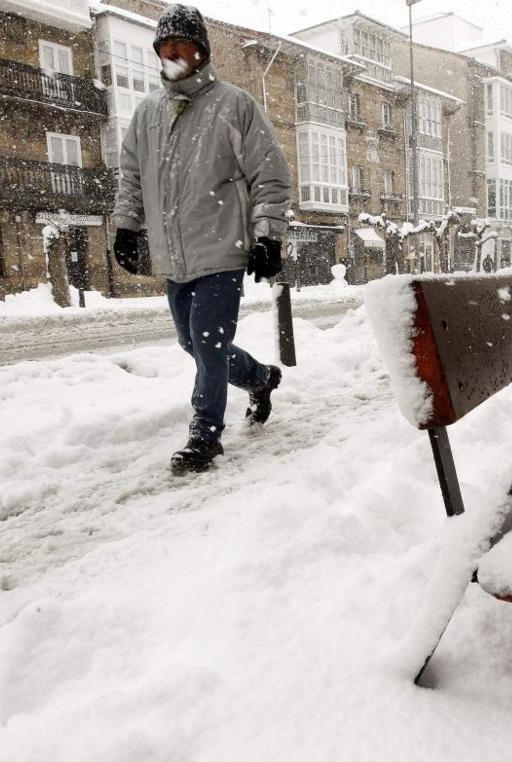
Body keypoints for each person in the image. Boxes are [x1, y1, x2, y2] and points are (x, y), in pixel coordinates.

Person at [111, 4, 291, 474]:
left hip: (222, 247)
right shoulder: (148, 113)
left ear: (201, 52)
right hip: (174, 254)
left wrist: (268, 236)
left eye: (181, 47)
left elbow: (270, 175)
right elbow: (131, 176)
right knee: (193, 343)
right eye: (164, 49)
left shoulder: (235, 105)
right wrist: (126, 225)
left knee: (209, 342)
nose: (171, 56)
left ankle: (205, 434)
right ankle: (260, 378)